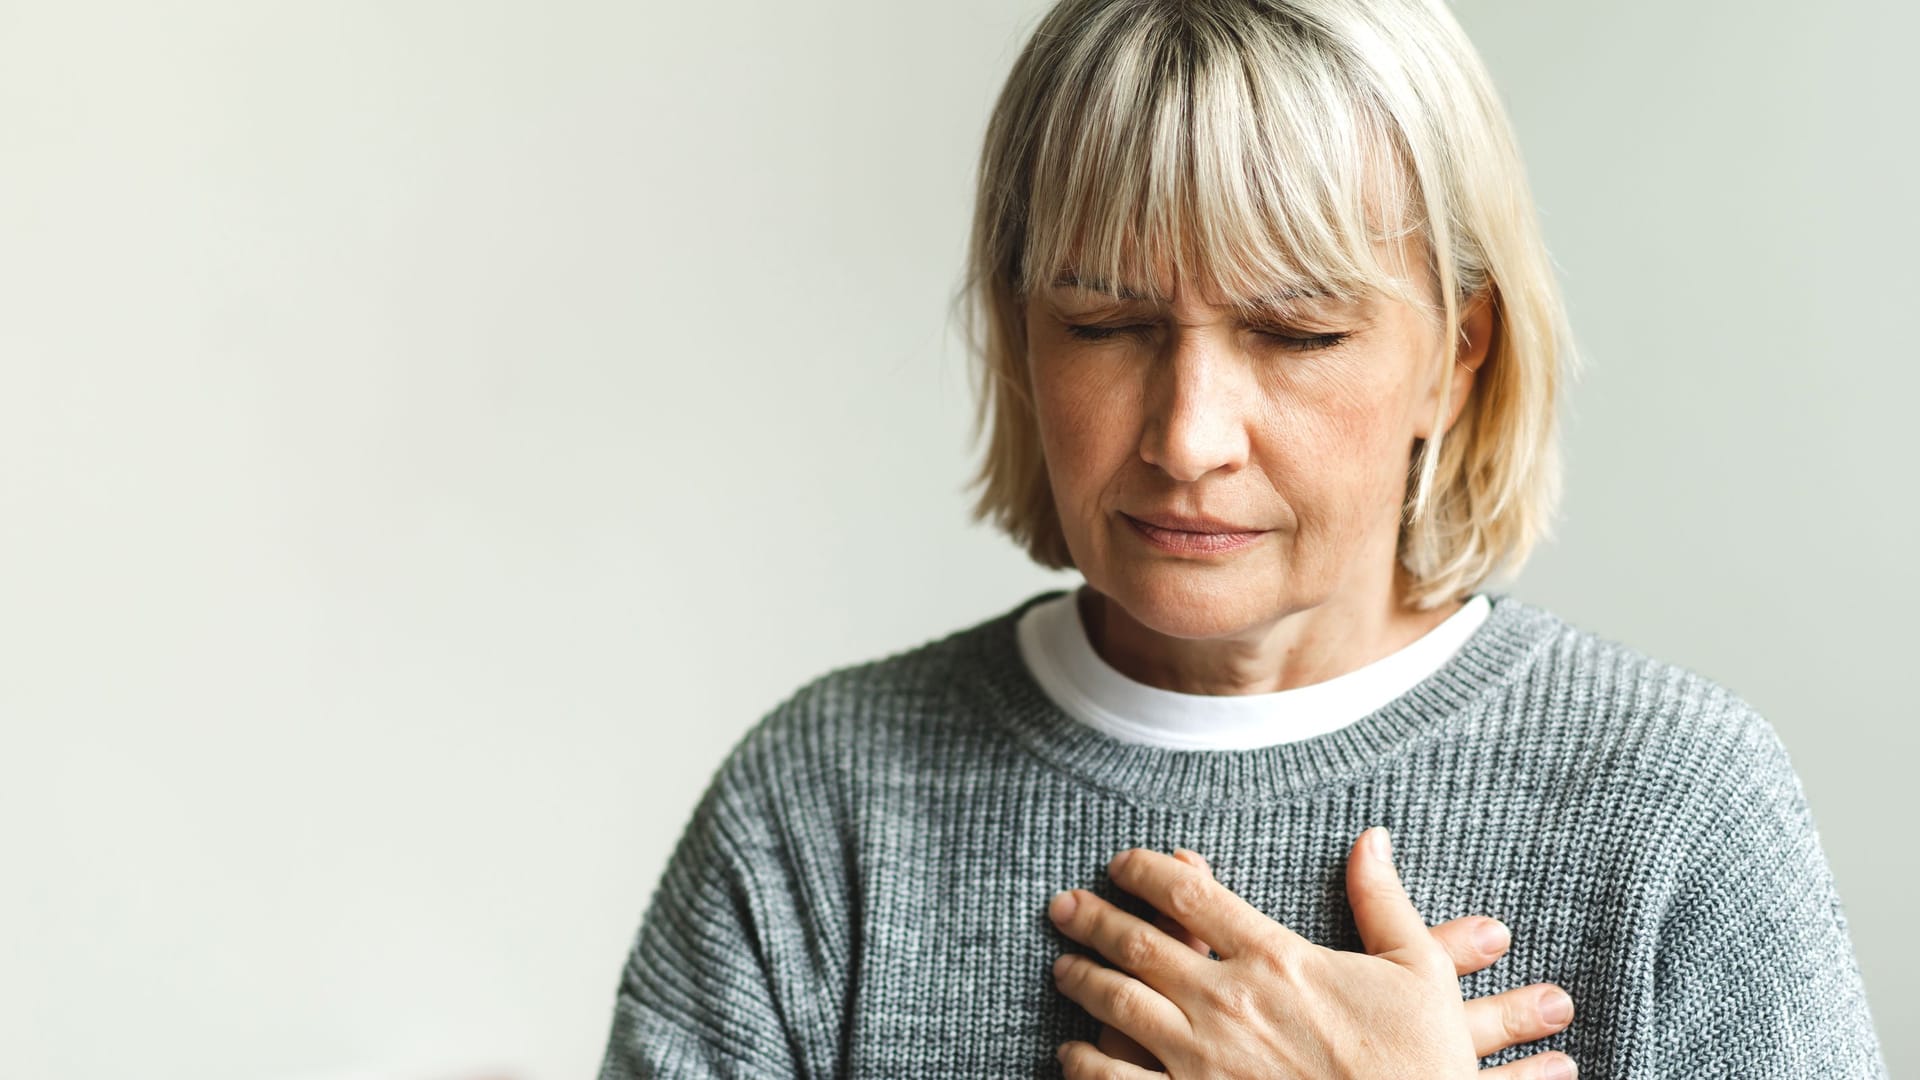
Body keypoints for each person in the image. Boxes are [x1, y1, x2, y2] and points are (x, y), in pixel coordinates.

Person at [597, 0, 1887, 1075]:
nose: (1187, 435)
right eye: (1105, 325)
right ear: (1020, 334)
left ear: (1458, 355)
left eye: (1297, 334)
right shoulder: (820, 805)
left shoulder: (1679, 808)